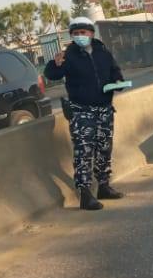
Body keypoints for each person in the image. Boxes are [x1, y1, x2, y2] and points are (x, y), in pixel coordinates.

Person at [44, 17, 126, 211]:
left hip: (104, 109)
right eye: (76, 33)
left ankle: (104, 186)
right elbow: (52, 74)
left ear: (91, 33)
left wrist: (119, 81)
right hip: (82, 111)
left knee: (104, 148)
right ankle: (85, 193)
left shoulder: (102, 52)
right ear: (71, 36)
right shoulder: (68, 55)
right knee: (84, 151)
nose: (80, 36)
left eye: (84, 32)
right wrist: (55, 64)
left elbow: (115, 71)